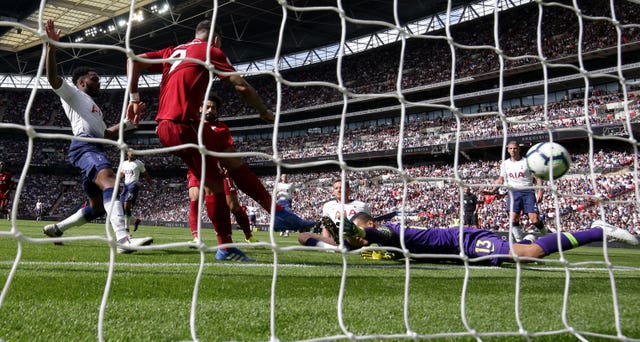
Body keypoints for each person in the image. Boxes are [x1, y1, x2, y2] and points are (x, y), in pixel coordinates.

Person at [126, 21, 313, 260]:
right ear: (216, 40)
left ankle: (277, 213)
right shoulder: (209, 50)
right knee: (214, 185)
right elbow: (241, 86)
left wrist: (133, 98)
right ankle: (225, 246)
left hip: (181, 124)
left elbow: (132, 59)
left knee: (230, 156)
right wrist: (263, 111)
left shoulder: (171, 51)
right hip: (181, 125)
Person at [42, 19, 153, 254]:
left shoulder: (94, 108)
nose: (99, 81)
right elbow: (53, 80)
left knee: (97, 207)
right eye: (94, 78)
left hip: (95, 147)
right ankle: (123, 241)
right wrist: (51, 49)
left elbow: (106, 133)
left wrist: (129, 124)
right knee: (110, 181)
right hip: (84, 147)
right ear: (81, 82)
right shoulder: (72, 94)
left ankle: (58, 229)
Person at [345, 212, 638, 265]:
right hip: (463, 254)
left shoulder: (388, 231)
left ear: (369, 225)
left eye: (362, 232)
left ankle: (599, 230)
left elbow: (375, 234)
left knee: (529, 253)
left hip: (466, 241)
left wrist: (356, 233)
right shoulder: (382, 243)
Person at [490, 141, 546, 241]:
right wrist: (493, 189)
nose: (513, 150)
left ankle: (546, 235)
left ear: (519, 149)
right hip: (513, 192)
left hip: (527, 192)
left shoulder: (527, 162)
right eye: (510, 148)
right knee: (513, 218)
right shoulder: (505, 164)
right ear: (507, 150)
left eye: (515, 148)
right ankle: (519, 241)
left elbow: (538, 177)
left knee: (535, 219)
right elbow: (501, 179)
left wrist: (540, 191)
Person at [298, 178, 371, 249]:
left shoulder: (362, 205)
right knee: (303, 236)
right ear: (333, 192)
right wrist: (326, 240)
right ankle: (331, 248)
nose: (339, 190)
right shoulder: (328, 206)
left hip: (356, 238)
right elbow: (326, 228)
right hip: (337, 241)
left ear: (349, 190)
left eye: (341, 188)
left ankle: (335, 248)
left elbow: (370, 227)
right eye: (336, 188)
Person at [118, 151, 152, 232]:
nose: (132, 153)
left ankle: (126, 228)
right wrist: (116, 180)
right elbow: (122, 174)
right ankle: (135, 220)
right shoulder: (124, 163)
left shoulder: (139, 163)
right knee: (121, 206)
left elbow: (146, 174)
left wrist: (150, 185)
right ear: (127, 154)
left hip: (133, 185)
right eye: (131, 152)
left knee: (126, 205)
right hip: (125, 186)